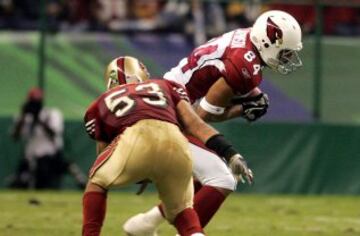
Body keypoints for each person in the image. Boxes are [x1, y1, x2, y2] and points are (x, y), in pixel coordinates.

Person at [122, 10, 303, 235]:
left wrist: (251, 96)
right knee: (222, 179)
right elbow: (198, 118)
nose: (287, 59)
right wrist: (242, 109)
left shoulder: (248, 41)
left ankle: (144, 224)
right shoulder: (244, 66)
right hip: (169, 113)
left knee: (202, 176)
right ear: (268, 42)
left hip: (167, 100)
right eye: (285, 53)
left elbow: (222, 76)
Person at [82, 56, 253, 236]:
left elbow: (103, 155)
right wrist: (230, 153)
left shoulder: (98, 104)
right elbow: (196, 125)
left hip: (135, 137)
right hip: (178, 142)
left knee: (96, 183)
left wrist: (135, 168)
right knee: (182, 212)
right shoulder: (165, 86)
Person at [9, 87, 86, 189]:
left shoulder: (50, 114)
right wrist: (23, 116)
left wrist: (39, 119)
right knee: (19, 183)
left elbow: (54, 133)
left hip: (50, 155)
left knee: (64, 166)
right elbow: (15, 136)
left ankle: (82, 182)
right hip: (30, 156)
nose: (34, 105)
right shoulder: (24, 117)